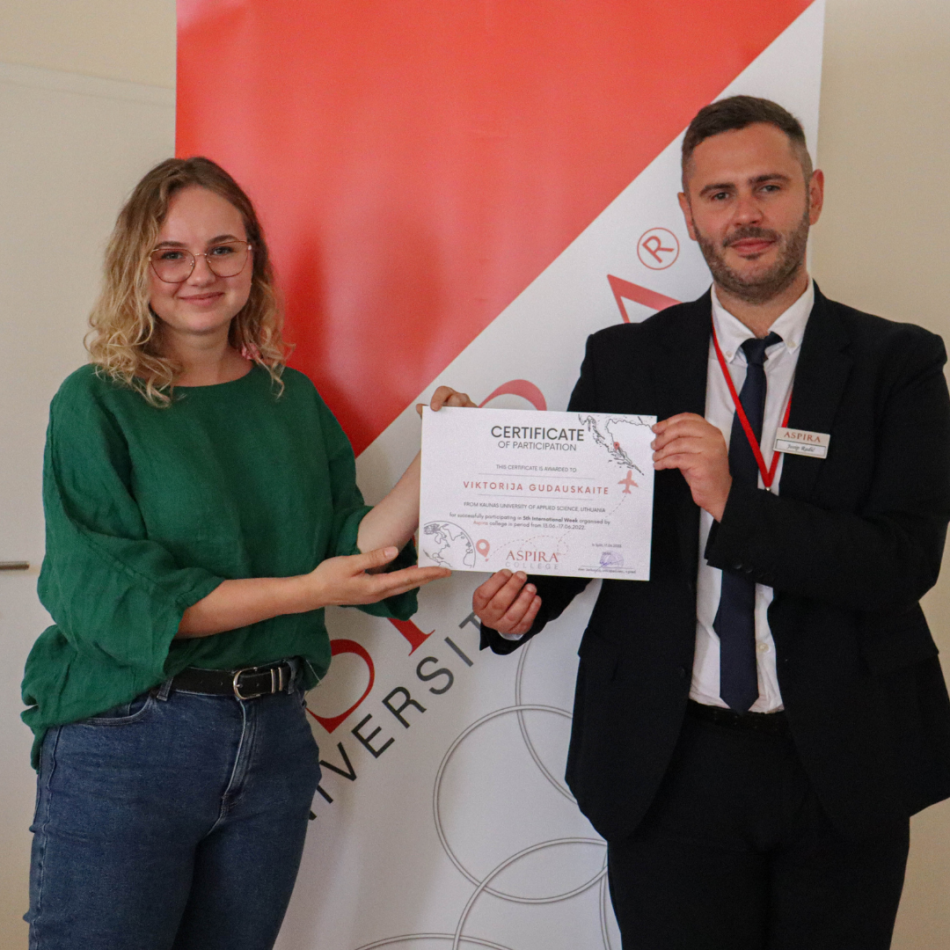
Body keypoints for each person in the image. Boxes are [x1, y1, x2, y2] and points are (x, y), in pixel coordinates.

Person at [473, 96, 950, 949]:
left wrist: (736, 503)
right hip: (669, 759)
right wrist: (520, 603)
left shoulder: (899, 363)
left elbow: (903, 561)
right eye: (720, 194)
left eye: (769, 186)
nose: (746, 214)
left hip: (845, 757)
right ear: (689, 213)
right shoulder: (624, 360)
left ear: (813, 194)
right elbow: (583, 534)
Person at [21, 156, 472, 950]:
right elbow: (126, 600)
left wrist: (439, 456)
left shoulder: (291, 400)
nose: (200, 273)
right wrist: (309, 591)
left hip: (273, 739)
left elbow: (352, 548)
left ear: (253, 260)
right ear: (136, 267)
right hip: (129, 740)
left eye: (223, 249)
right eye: (172, 254)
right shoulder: (94, 403)